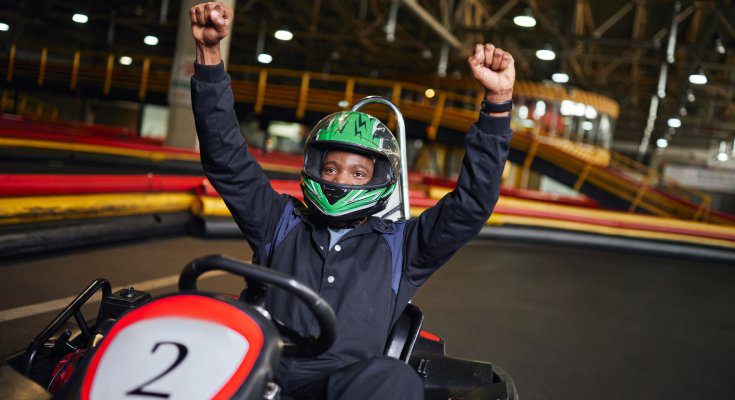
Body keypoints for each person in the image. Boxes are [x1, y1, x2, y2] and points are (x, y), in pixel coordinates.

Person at [189, 2, 515, 399]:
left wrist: (498, 104)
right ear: (315, 169)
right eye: (331, 168)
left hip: (343, 386)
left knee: (395, 379)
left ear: (379, 179)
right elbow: (226, 158)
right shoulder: (279, 221)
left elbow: (472, 204)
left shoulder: (404, 246)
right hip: (258, 373)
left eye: (358, 173)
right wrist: (208, 57)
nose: (341, 179)